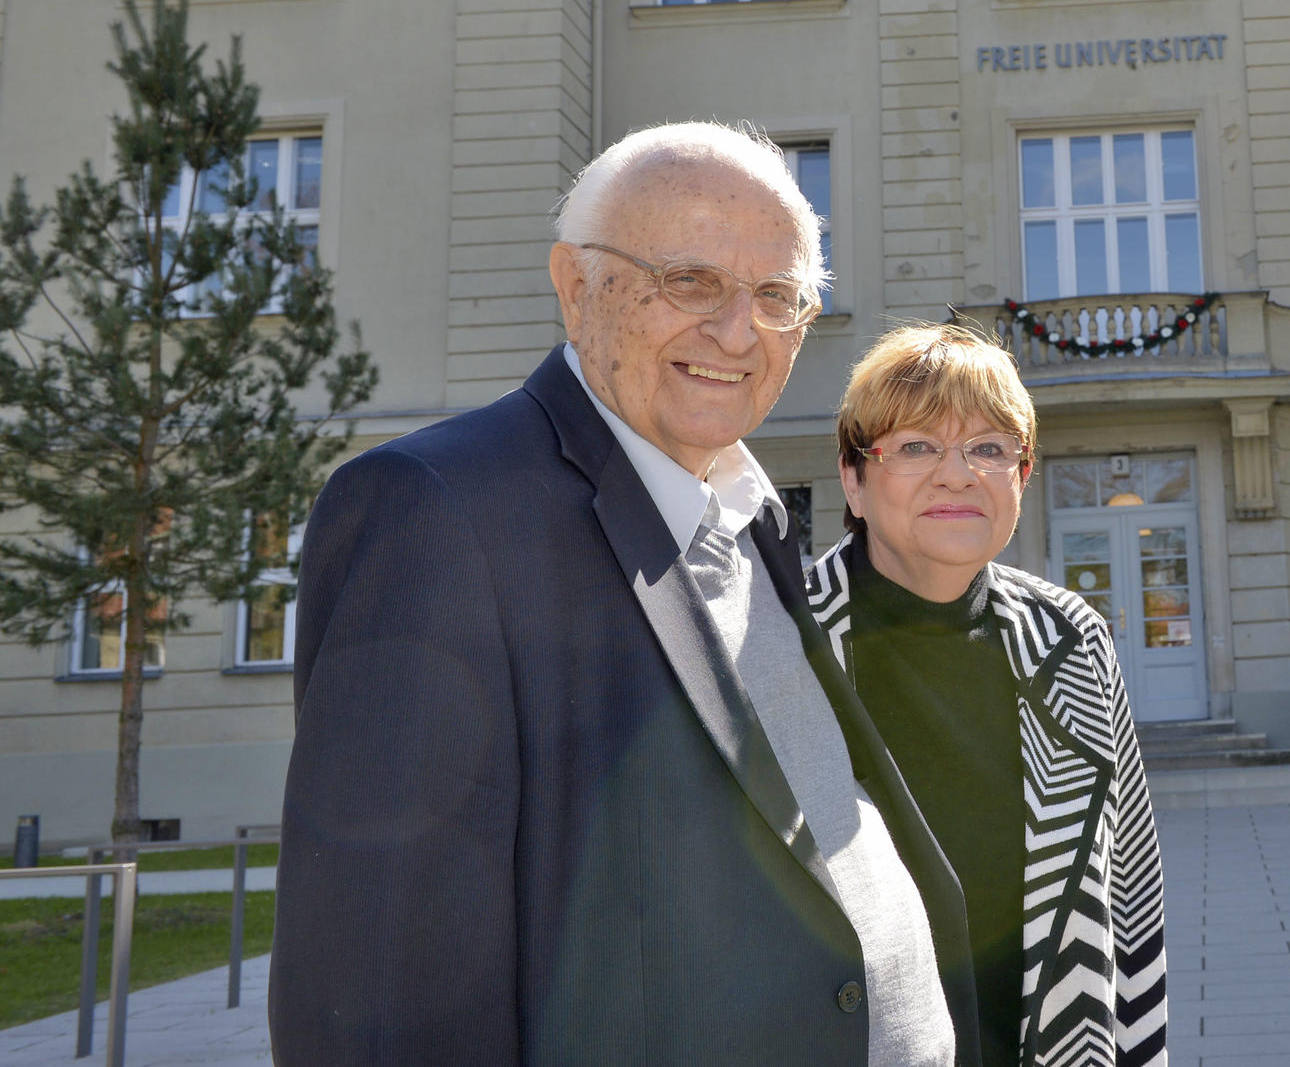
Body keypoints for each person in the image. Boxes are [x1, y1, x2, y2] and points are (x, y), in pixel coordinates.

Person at [270, 123, 978, 1064]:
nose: (738, 332)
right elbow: (376, 1001)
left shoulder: (748, 509)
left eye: (777, 296)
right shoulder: (437, 513)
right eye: (689, 282)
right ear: (575, 286)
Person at [806, 323, 1168, 1066]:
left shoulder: (1072, 637)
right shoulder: (779, 638)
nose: (957, 473)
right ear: (853, 478)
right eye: (915, 446)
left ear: (1022, 476)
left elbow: (1131, 896)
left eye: (989, 448)